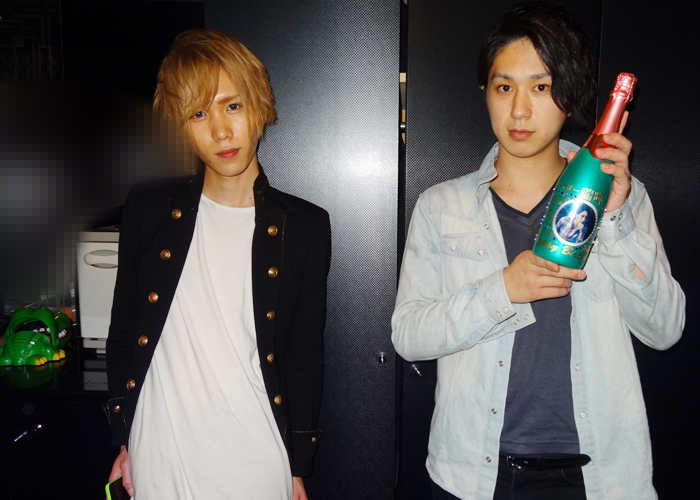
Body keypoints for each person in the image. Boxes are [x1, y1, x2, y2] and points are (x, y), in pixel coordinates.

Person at [391, 3, 685, 500]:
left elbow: (665, 330)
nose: (520, 111)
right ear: (485, 92)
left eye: (541, 87)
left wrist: (615, 218)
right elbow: (408, 336)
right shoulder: (442, 206)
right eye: (505, 87)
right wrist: (502, 290)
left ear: (570, 96)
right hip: (474, 475)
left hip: (599, 476)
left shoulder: (622, 198)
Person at [106, 28, 331, 500]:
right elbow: (124, 331)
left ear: (259, 105)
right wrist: (123, 438)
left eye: (232, 106)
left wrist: (297, 466)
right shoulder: (148, 208)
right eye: (198, 113)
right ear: (181, 126)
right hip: (159, 458)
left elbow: (303, 360)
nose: (220, 131)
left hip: (255, 463)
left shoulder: (305, 226)